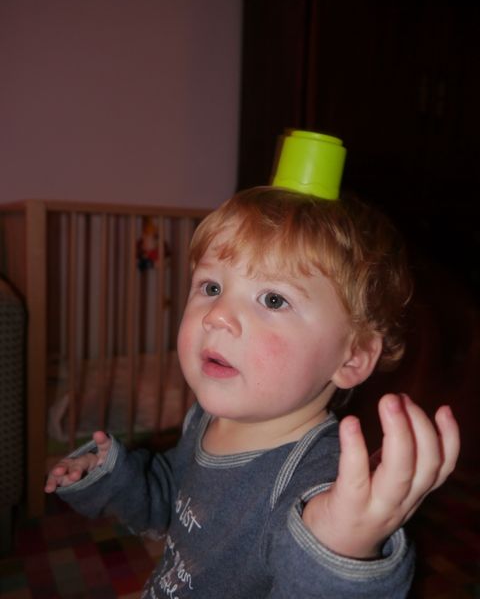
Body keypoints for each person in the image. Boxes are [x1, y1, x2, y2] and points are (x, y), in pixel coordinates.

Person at [45, 186, 460, 598]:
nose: (217, 315)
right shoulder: (208, 418)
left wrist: (341, 551)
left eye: (274, 299)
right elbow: (176, 500)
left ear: (351, 358)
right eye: (211, 287)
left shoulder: (318, 486)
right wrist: (116, 477)